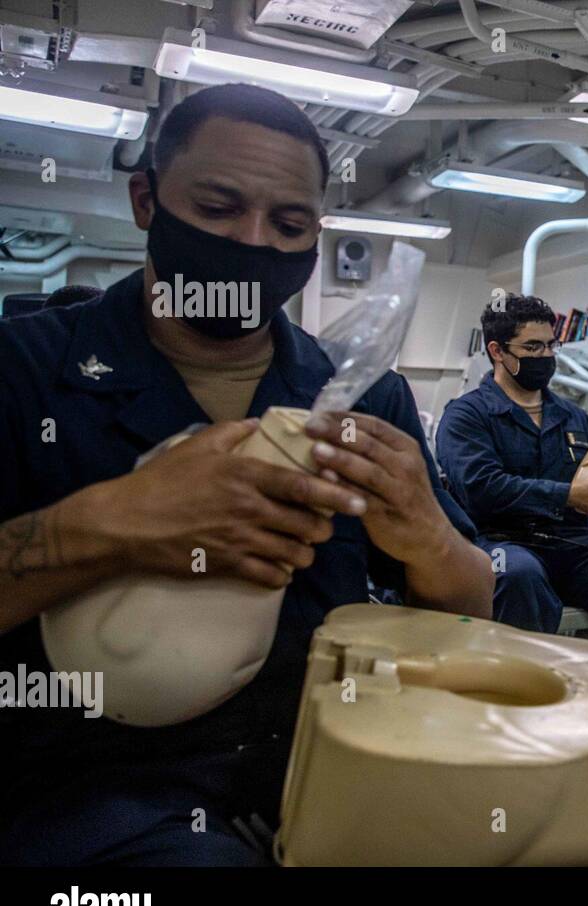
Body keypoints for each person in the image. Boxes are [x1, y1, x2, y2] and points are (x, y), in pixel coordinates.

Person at [0, 83, 493, 865]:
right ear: (145, 199)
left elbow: (469, 610)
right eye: (220, 208)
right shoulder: (23, 373)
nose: (254, 242)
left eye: (288, 223)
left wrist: (430, 540)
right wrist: (110, 523)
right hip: (88, 796)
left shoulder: (363, 397)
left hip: (329, 758)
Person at [435, 293, 588, 652]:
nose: (546, 356)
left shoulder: (573, 417)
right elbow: (481, 488)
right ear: (497, 351)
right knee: (517, 573)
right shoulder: (466, 416)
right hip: (502, 543)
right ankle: (521, 694)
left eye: (552, 345)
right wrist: (566, 495)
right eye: (532, 347)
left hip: (574, 546)